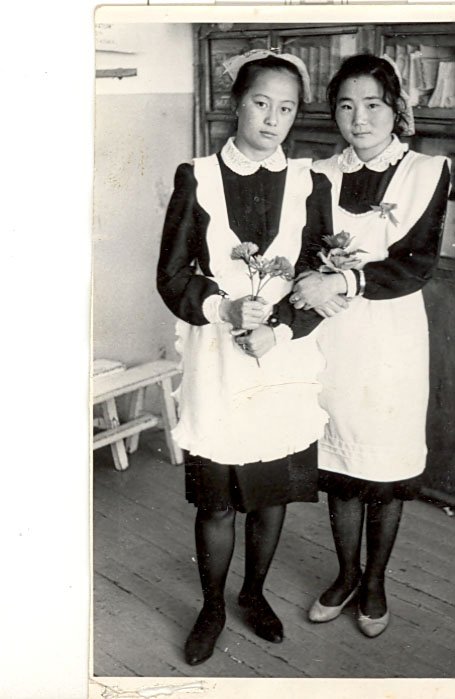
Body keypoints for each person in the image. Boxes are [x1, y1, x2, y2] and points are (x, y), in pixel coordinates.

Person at [157, 49, 341, 666]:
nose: (272, 119)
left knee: (270, 494)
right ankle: (211, 607)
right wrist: (224, 308)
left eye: (286, 109)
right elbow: (171, 275)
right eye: (261, 103)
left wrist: (279, 329)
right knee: (216, 499)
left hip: (282, 358)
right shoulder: (197, 176)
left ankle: (253, 594)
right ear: (236, 103)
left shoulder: (311, 183)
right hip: (218, 355)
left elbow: (318, 280)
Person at [287, 53, 450, 638]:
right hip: (333, 334)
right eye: (346, 106)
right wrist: (312, 282)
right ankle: (346, 574)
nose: (360, 119)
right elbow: (305, 248)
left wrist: (340, 281)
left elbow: (416, 263)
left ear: (396, 109)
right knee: (341, 462)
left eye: (373, 105)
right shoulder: (317, 173)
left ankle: (375, 581)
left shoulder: (427, 171)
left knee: (383, 465)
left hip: (390, 337)